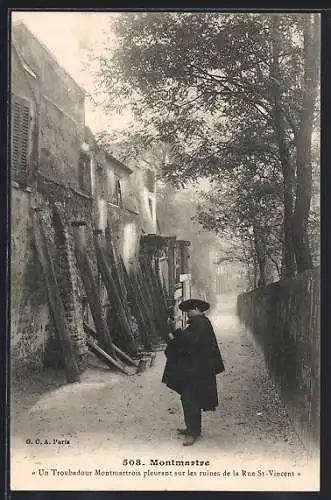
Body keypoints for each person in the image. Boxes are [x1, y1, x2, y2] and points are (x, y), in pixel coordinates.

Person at [162, 298, 225, 446]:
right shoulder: (199, 323)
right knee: (188, 399)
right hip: (194, 370)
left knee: (191, 400)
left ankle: (192, 433)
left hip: (198, 372)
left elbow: (191, 341)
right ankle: (193, 429)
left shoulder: (201, 323)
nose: (187, 314)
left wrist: (177, 331)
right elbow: (186, 344)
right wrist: (173, 338)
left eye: (189, 311)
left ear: (196, 309)